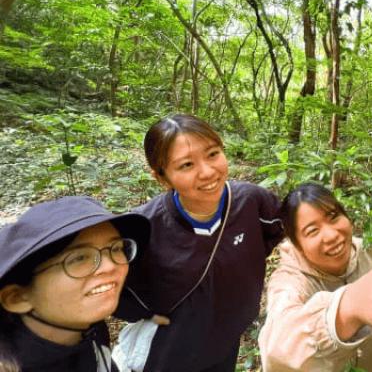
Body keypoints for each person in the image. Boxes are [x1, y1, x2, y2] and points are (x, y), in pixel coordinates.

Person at [114, 114, 284, 372]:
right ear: (162, 177)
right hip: (168, 353)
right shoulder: (144, 227)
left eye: (213, 154)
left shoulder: (251, 202)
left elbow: (286, 232)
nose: (207, 172)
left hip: (225, 344)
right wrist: (147, 314)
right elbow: (112, 288)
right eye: (186, 165)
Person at [258, 183, 372, 371]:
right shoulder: (290, 281)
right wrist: (345, 309)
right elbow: (276, 350)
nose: (331, 235)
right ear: (297, 244)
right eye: (312, 231)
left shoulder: (364, 250)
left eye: (333, 217)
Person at [0, 196, 150, 372]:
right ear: (17, 298)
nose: (111, 266)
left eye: (116, 248)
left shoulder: (88, 327)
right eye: (79, 258)